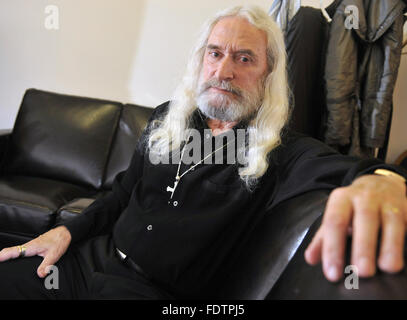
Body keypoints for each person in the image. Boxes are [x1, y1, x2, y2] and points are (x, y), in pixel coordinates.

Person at [0, 5, 406, 300]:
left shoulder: (280, 152)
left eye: (244, 58)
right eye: (215, 53)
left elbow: (352, 169)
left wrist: (386, 184)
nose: (223, 71)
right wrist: (68, 231)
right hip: (88, 260)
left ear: (267, 76)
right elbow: (122, 193)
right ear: (201, 61)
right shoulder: (166, 120)